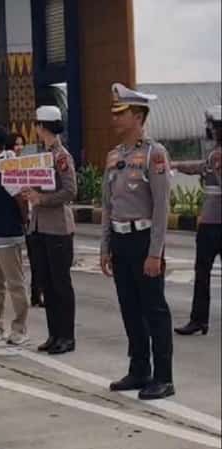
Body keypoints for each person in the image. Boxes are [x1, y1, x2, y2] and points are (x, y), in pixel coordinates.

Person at [100, 83, 174, 400]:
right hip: (120, 240)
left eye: (121, 112)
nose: (115, 118)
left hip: (144, 239)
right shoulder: (114, 156)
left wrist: (155, 253)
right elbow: (107, 205)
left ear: (138, 116)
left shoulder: (153, 154)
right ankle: (139, 368)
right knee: (130, 308)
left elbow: (161, 208)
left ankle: (164, 376)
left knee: (154, 309)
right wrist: (105, 246)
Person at [22, 106, 77, 355]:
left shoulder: (61, 156)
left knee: (61, 285)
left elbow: (70, 191)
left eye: (37, 124)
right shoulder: (42, 155)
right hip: (40, 227)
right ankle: (54, 334)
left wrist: (41, 199)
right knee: (46, 284)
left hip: (57, 228)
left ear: (43, 126)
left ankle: (67, 336)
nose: (35, 129)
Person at [174, 106, 222, 336]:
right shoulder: (214, 156)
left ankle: (199, 320)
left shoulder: (218, 155)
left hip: (213, 226)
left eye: (211, 126)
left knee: (202, 274)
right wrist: (176, 166)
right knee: (201, 273)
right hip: (212, 224)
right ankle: (198, 320)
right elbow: (200, 167)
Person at [0, 125, 30, 345]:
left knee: (15, 284)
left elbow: (20, 197)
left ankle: (19, 327)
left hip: (8, 235)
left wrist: (23, 221)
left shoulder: (6, 165)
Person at [8, 132, 43, 307]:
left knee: (36, 257)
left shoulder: (29, 165)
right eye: (16, 144)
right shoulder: (8, 168)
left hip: (32, 216)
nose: (19, 147)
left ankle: (37, 293)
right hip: (17, 219)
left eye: (21, 144)